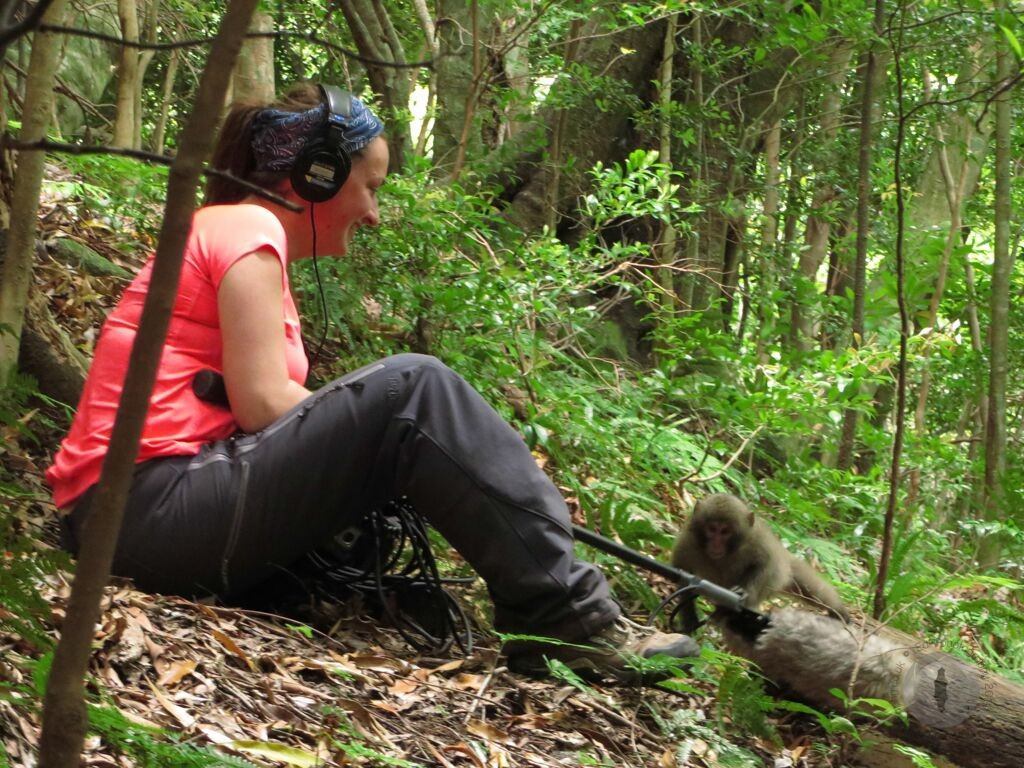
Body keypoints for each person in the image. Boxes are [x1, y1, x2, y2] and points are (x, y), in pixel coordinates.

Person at [47, 82, 698, 682]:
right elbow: (263, 403)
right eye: (373, 187)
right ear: (318, 176)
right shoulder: (248, 225)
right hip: (144, 511)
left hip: (139, 517)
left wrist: (445, 468)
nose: (376, 213)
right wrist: (418, 444)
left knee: (407, 419)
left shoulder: (232, 233)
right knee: (417, 387)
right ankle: (572, 622)